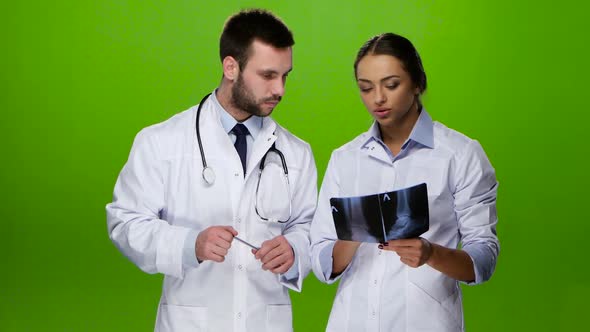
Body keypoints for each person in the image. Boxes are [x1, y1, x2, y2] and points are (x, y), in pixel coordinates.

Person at [106, 9, 317, 332]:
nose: (280, 90)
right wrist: (190, 244)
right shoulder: (161, 141)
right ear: (230, 67)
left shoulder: (296, 153)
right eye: (268, 75)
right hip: (191, 322)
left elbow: (309, 228)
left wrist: (294, 249)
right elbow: (126, 223)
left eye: (285, 75)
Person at [310, 33, 499, 331]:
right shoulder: (345, 158)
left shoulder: (460, 154)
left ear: (418, 83)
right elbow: (321, 261)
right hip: (352, 321)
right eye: (366, 88)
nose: (378, 99)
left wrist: (431, 253)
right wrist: (359, 228)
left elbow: (483, 258)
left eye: (392, 84)